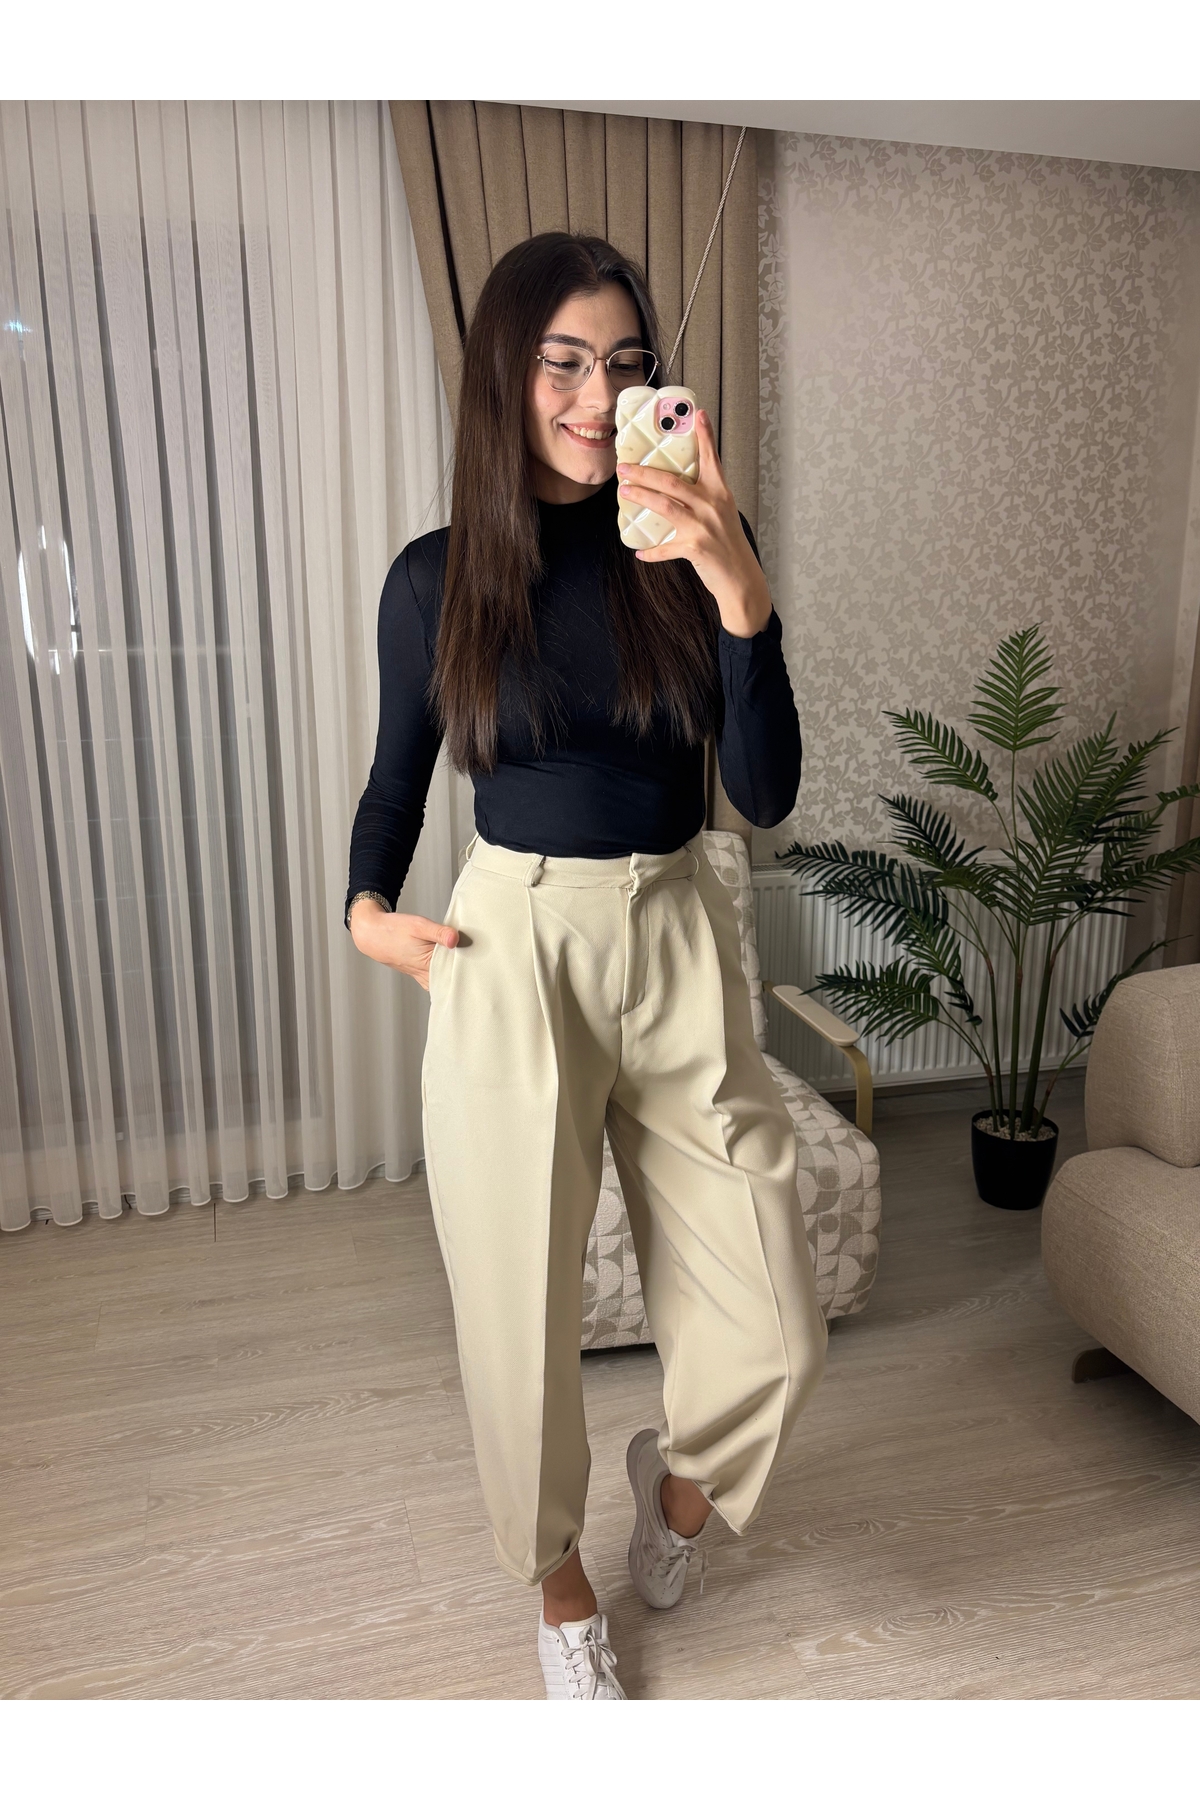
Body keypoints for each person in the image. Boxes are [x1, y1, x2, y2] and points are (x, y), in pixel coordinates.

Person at [345, 232, 826, 1701]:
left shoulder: (686, 552)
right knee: (516, 1305)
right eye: (561, 361)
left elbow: (766, 790)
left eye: (623, 364)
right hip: (514, 941)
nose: (593, 394)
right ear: (507, 372)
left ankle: (671, 1495)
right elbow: (398, 777)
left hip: (678, 929)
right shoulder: (438, 577)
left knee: (774, 1322)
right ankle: (560, 1592)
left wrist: (737, 583)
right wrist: (365, 908)